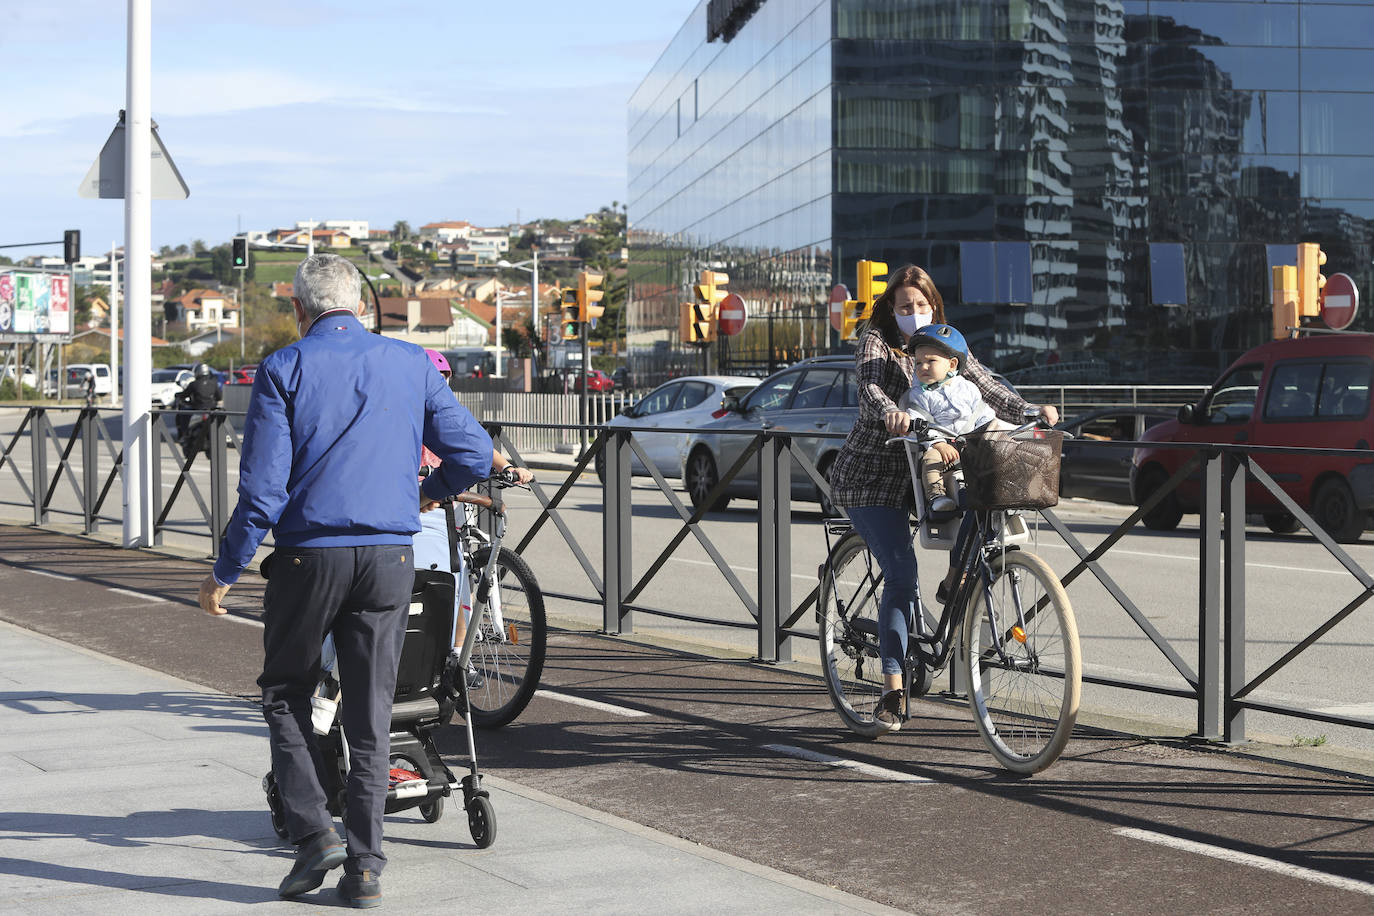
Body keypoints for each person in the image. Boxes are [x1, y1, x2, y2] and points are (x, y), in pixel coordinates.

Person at [196, 253, 492, 907]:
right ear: (360, 305)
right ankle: (364, 870)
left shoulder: (284, 369)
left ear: (300, 310)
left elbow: (263, 492)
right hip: (390, 559)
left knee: (285, 693)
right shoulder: (411, 363)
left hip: (310, 558)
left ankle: (312, 834)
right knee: (370, 715)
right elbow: (472, 453)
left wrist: (224, 571)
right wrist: (427, 495)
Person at [827, 264, 1058, 735]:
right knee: (900, 568)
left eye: (922, 305)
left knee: (983, 501)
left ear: (934, 306)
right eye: (905, 306)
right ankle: (892, 691)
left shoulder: (943, 344)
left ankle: (955, 579)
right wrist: (893, 412)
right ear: (891, 309)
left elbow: (986, 383)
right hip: (873, 477)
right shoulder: (877, 340)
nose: (914, 313)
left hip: (926, 474)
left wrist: (1029, 410)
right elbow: (870, 386)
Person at [902, 324, 995, 521]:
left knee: (994, 456)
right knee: (930, 461)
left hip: (969, 445)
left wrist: (993, 433)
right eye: (918, 363)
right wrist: (938, 443)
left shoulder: (968, 389)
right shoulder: (919, 395)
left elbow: (983, 414)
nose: (922, 367)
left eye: (930, 361)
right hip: (940, 446)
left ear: (952, 365)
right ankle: (937, 496)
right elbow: (918, 420)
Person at [175, 362, 221, 445]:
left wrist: (179, 397)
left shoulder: (194, 384)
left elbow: (184, 395)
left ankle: (184, 435)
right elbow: (219, 397)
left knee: (182, 414)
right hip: (212, 410)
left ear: (197, 372)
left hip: (198, 409)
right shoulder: (214, 383)